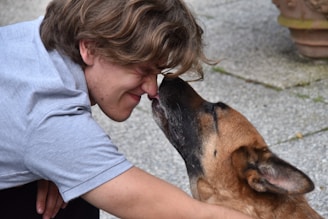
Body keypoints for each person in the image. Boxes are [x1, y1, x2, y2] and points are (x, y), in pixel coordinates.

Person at [0, 0, 254, 219]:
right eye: (142, 70)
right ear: (89, 47)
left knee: (75, 189)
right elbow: (187, 214)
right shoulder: (49, 120)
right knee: (83, 197)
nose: (153, 90)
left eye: (157, 72)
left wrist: (50, 164)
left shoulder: (36, 40)